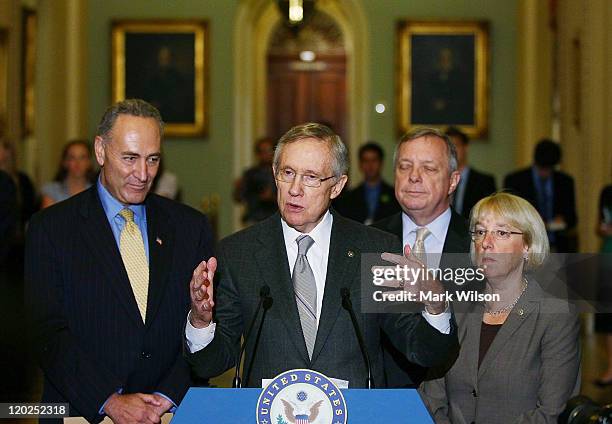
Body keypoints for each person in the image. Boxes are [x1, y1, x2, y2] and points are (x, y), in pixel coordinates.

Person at [184, 123, 458, 388]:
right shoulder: (239, 253)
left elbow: (422, 351)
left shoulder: (373, 249)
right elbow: (210, 364)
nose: (295, 188)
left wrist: (435, 305)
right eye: (287, 173)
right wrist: (200, 321)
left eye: (311, 177)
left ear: (337, 186)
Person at [24, 99, 214, 423]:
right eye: (130, 158)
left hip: (171, 411)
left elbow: (202, 325)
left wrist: (165, 396)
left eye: (152, 160)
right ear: (100, 151)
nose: (142, 174)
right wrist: (109, 400)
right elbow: (47, 333)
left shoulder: (189, 228)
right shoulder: (51, 229)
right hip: (83, 412)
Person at [419, 192, 580, 423]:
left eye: (501, 232)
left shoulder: (555, 315)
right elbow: (431, 399)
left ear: (528, 246)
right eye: (481, 232)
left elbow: (552, 412)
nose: (486, 242)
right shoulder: (457, 306)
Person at [373, 127, 472, 387]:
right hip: (384, 400)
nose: (414, 177)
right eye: (405, 167)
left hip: (458, 401)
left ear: (453, 181)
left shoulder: (479, 244)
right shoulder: (368, 242)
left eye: (428, 168)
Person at [504, 139, 578, 252]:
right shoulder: (515, 181)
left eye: (549, 169)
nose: (545, 173)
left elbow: (572, 218)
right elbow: (509, 217)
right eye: (541, 168)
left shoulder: (565, 182)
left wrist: (563, 220)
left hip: (557, 247)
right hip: (525, 247)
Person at [333, 142, 401, 224]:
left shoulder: (395, 196)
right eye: (366, 160)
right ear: (360, 164)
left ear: (381, 163)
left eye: (374, 160)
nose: (370, 165)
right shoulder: (348, 198)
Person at [445, 127, 496, 219]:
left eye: (455, 146)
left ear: (466, 147)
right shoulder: (438, 180)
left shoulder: (485, 182)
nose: (451, 152)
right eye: (447, 148)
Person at [233, 137, 277, 225]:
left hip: (276, 218)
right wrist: (239, 188)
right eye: (262, 151)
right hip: (255, 218)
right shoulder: (251, 174)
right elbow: (239, 198)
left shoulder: (281, 173)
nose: (266, 154)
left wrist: (272, 197)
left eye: (269, 151)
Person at [40, 139, 95, 208]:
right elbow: (48, 218)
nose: (78, 163)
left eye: (82, 157)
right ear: (65, 162)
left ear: (89, 162)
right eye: (72, 158)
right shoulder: (51, 191)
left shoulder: (97, 193)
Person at [594, 182, 612, 386]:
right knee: (608, 316)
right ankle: (611, 367)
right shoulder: (607, 192)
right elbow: (598, 226)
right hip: (608, 255)